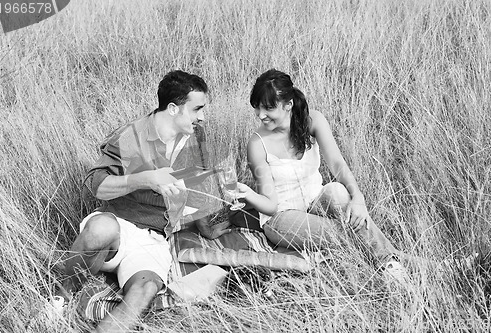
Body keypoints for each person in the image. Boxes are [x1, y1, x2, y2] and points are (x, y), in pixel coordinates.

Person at [59, 70, 230, 333]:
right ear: (173, 108)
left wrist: (209, 225)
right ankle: (59, 300)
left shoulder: (197, 138)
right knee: (101, 229)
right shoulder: (132, 135)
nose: (202, 116)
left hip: (154, 239)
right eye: (197, 109)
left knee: (145, 290)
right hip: (118, 227)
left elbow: (197, 188)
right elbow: (96, 186)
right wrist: (145, 178)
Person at [236, 69, 407, 281]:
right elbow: (270, 205)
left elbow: (337, 164)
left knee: (338, 192)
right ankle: (396, 262)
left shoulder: (312, 120)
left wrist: (358, 198)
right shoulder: (257, 145)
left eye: (268, 108)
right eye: (258, 107)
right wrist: (247, 194)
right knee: (350, 231)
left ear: (288, 105)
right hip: (281, 217)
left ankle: (390, 263)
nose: (261, 115)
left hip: (316, 201)